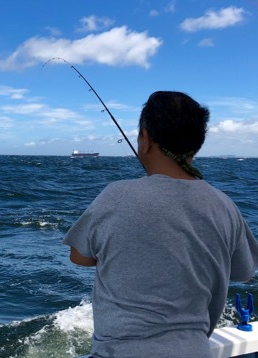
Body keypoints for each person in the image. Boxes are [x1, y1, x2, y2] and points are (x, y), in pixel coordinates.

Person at [63, 91, 258, 358]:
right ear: (197, 143)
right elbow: (243, 271)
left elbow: (79, 257)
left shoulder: (115, 195)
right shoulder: (224, 205)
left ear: (146, 139)